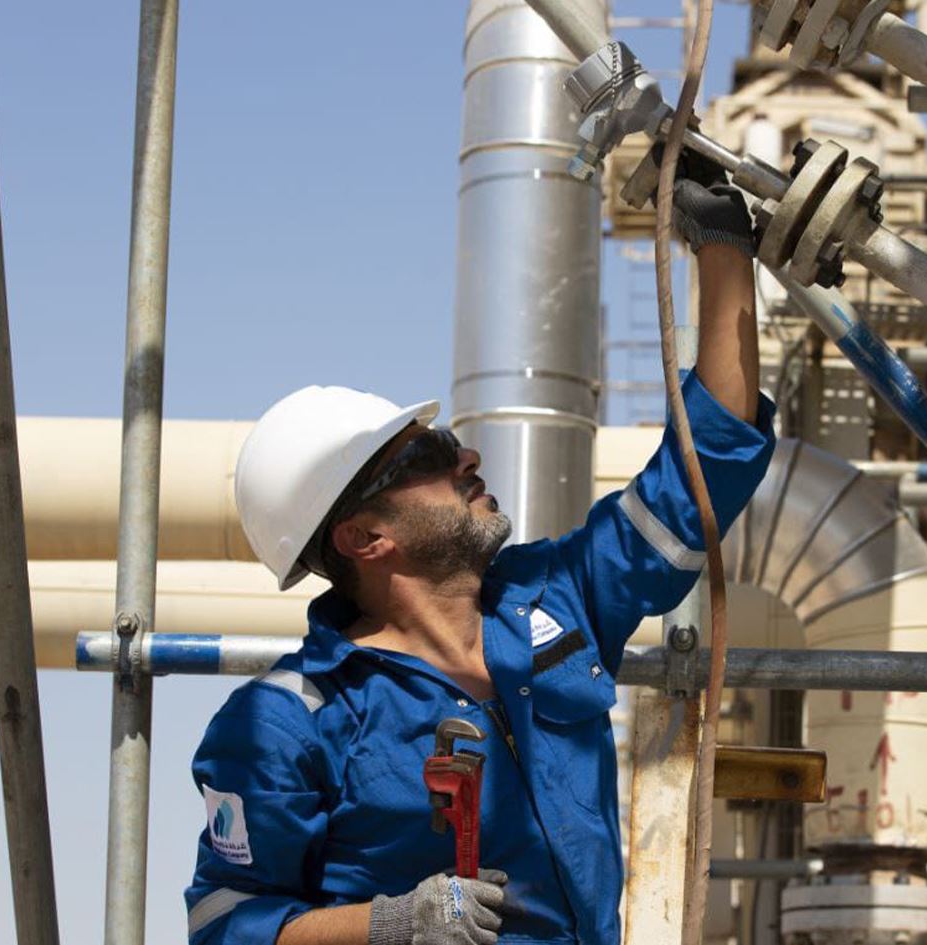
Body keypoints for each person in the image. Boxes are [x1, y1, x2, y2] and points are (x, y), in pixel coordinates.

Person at [185, 164, 775, 945]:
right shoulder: (288, 720)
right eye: (426, 455)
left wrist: (723, 239)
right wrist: (390, 924)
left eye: (448, 438)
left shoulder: (555, 600)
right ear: (364, 537)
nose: (465, 455)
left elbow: (705, 468)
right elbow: (226, 924)